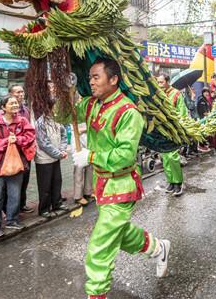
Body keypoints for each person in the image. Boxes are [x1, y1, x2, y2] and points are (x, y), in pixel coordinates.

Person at [71, 58, 170, 299]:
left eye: (96, 77)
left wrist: (91, 156)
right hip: (102, 183)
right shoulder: (92, 104)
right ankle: (157, 248)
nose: (91, 82)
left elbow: (125, 156)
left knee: (99, 247)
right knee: (119, 233)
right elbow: (65, 116)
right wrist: (67, 91)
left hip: (121, 183)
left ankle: (96, 295)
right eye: (90, 77)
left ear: (113, 80)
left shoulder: (128, 112)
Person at [0, 96, 35, 237]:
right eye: (11, 103)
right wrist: (7, 141)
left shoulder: (22, 121)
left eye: (16, 103)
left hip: (16, 164)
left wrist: (18, 140)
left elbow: (30, 137)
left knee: (14, 195)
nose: (15, 105)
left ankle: (12, 220)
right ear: (3, 107)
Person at [34, 99, 69, 218]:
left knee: (57, 182)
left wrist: (63, 150)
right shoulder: (40, 122)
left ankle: (57, 204)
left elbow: (64, 135)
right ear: (49, 107)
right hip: (44, 159)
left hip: (56, 158)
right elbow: (43, 143)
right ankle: (44, 209)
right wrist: (59, 154)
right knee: (45, 185)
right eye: (56, 106)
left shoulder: (58, 121)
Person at [156, 74, 188, 196]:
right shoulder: (158, 94)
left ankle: (178, 183)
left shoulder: (176, 94)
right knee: (165, 156)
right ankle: (170, 181)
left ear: (168, 82)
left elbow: (182, 112)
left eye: (161, 82)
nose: (159, 85)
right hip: (162, 129)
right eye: (158, 82)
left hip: (173, 129)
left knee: (173, 156)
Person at [6, 84, 33, 213]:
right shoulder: (5, 111)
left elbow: (29, 131)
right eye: (17, 92)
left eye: (22, 92)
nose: (21, 95)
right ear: (10, 94)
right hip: (12, 151)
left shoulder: (26, 110)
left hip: (26, 150)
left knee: (25, 179)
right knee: (12, 181)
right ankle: (10, 209)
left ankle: (22, 204)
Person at [197, 87, 216, 153]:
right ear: (202, 93)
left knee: (205, 132)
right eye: (205, 92)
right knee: (203, 132)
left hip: (205, 119)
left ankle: (204, 144)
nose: (206, 93)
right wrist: (211, 115)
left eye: (207, 92)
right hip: (202, 119)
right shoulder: (201, 100)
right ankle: (201, 146)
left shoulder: (205, 99)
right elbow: (204, 112)